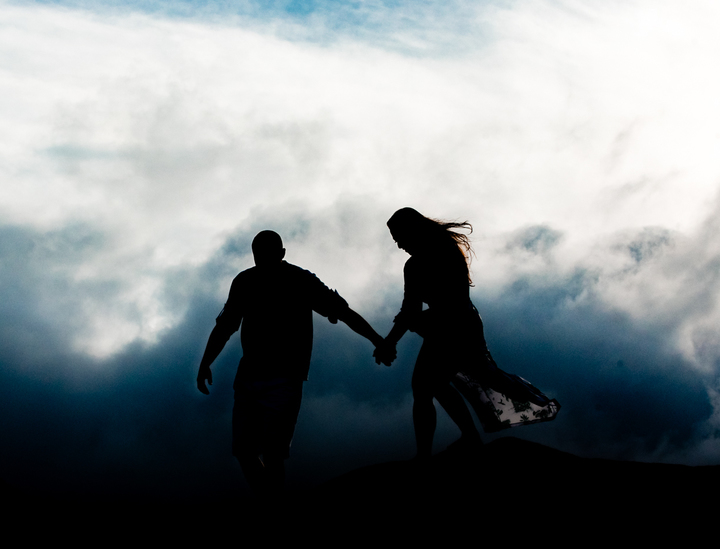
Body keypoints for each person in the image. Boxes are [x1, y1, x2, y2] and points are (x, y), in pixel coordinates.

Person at [197, 230, 386, 499]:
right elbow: (225, 325)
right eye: (258, 254)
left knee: (272, 453)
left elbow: (341, 312)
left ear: (282, 254)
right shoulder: (245, 281)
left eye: (266, 253)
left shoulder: (299, 280)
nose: (262, 259)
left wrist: (377, 339)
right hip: (251, 377)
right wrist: (205, 363)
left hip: (284, 378)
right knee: (244, 451)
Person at [374, 207, 559, 459]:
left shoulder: (442, 254)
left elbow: (444, 304)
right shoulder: (419, 262)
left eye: (399, 237)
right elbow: (411, 310)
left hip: (456, 328)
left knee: (426, 386)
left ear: (413, 232)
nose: (398, 245)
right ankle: (463, 440)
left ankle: (431, 453)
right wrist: (391, 341)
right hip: (447, 328)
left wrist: (391, 341)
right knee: (430, 386)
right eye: (395, 239)